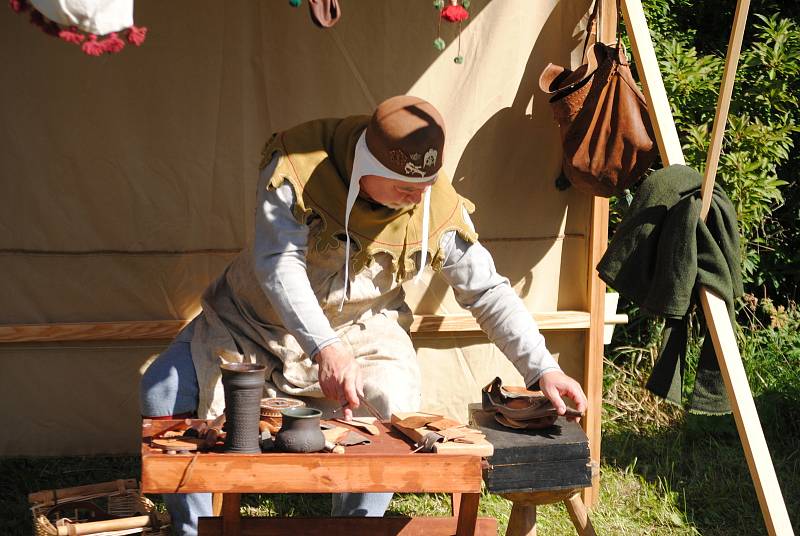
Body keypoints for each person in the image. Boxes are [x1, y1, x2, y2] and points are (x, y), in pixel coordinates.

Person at [140, 95, 587, 536]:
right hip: (248, 325)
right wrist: (324, 348)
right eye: (404, 187)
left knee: (391, 399)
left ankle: (356, 527)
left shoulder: (434, 199)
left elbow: (486, 289)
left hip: (361, 332)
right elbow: (279, 265)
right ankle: (196, 529)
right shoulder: (297, 165)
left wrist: (541, 367)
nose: (418, 197)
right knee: (163, 392)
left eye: (425, 185)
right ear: (365, 165)